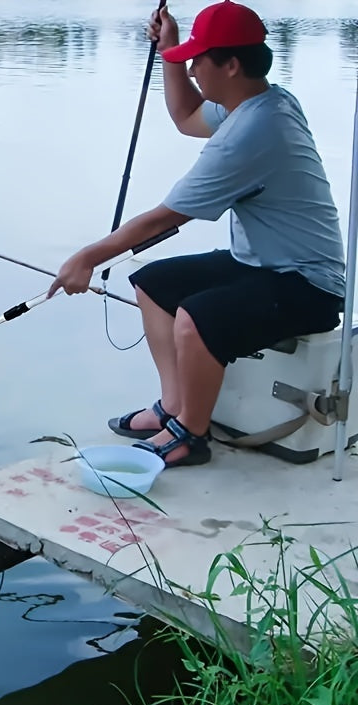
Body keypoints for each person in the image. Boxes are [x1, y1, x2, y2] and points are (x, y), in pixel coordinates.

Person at [47, 0, 345, 467]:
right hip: (260, 264)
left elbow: (167, 217)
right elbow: (187, 117)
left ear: (230, 63)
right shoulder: (259, 101)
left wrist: (88, 256)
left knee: (197, 316)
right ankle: (173, 407)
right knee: (154, 283)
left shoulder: (254, 130)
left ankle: (190, 434)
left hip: (309, 284)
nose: (190, 66)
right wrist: (169, 47)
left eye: (197, 58)